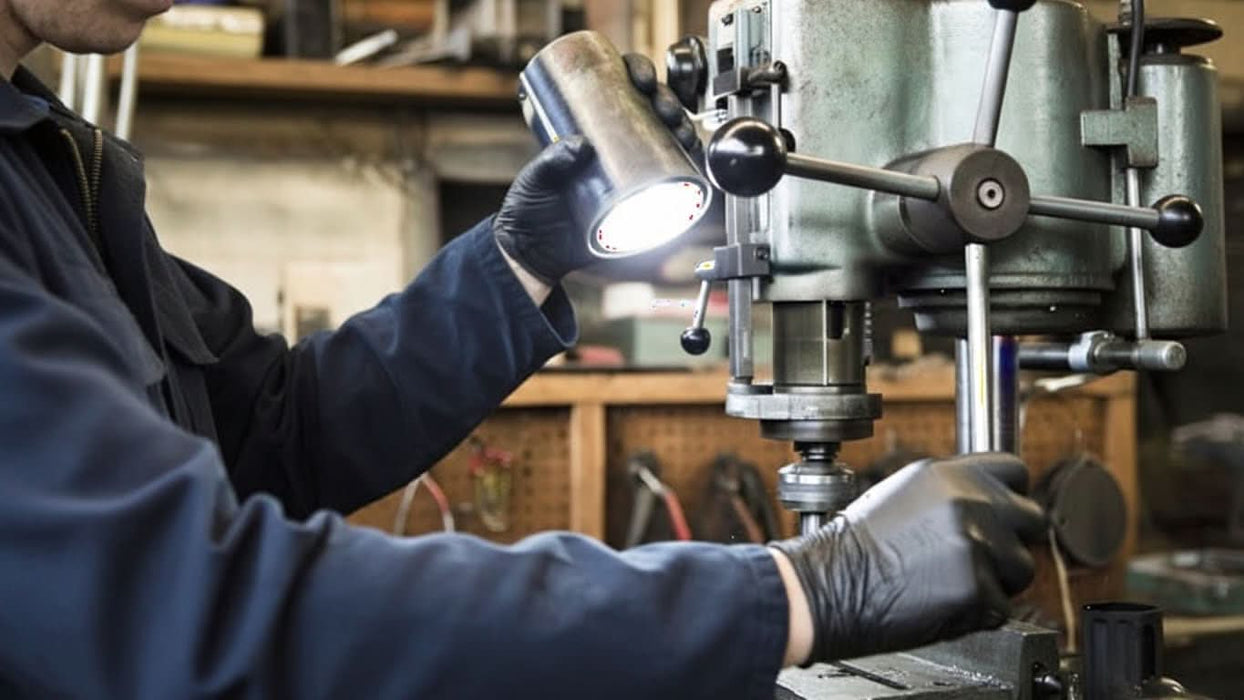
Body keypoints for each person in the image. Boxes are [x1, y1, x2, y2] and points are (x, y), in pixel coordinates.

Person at [0, 1, 1047, 697]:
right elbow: (198, 605)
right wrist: (797, 591)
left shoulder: (50, 163)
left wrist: (516, 260)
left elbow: (281, 428)